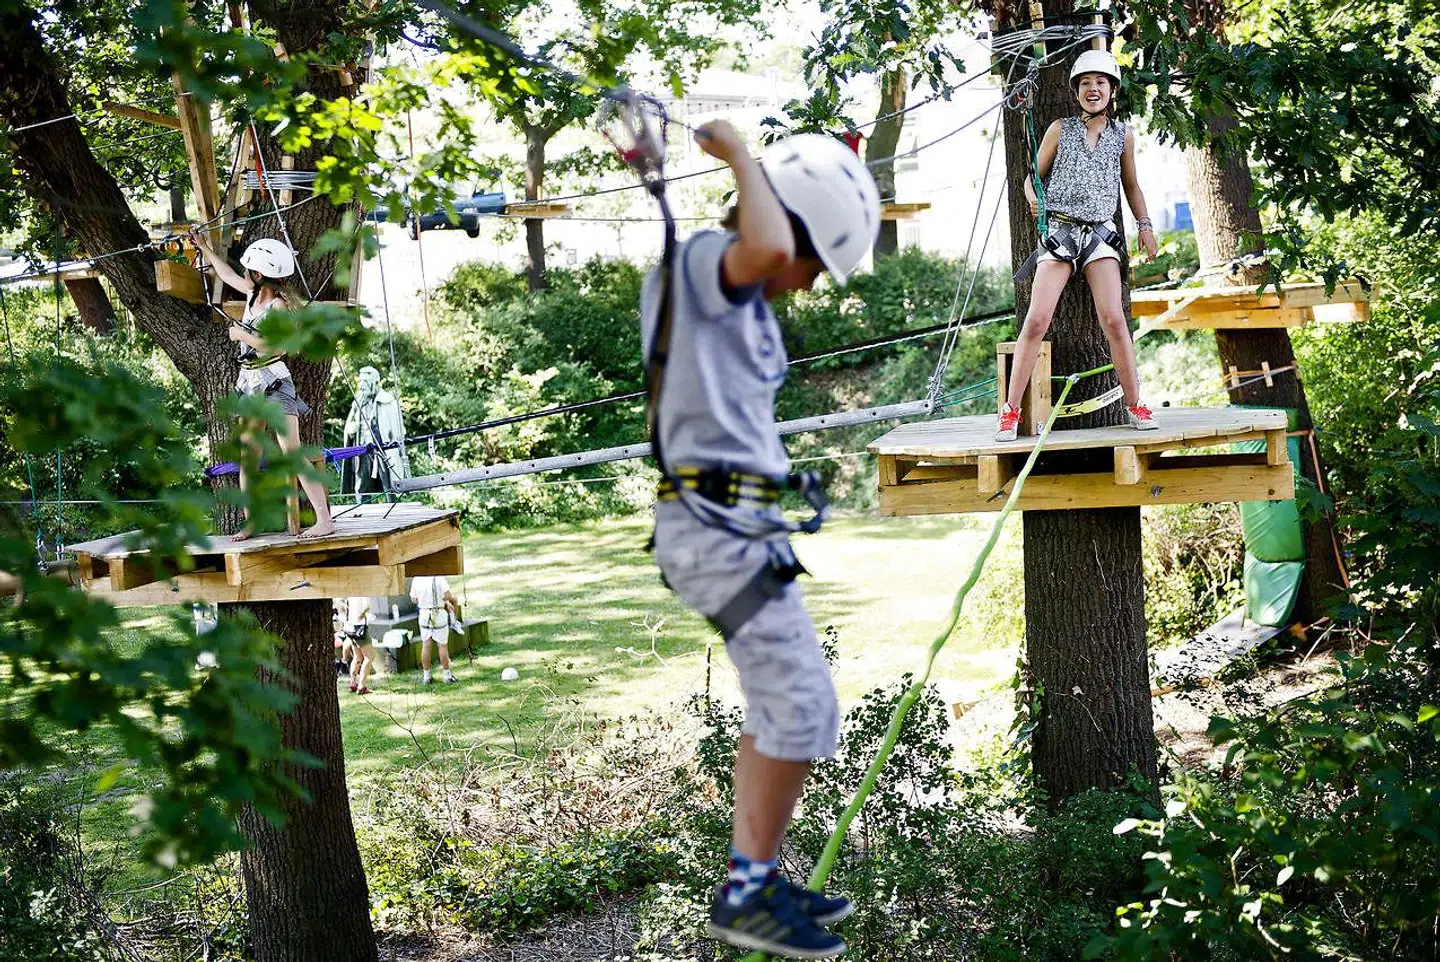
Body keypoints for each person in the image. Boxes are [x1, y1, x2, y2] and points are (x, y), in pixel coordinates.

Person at [642, 124, 873, 959]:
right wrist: (742, 152)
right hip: (713, 535)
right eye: (814, 263)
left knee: (782, 707)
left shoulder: (743, 303)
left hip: (737, 530)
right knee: (806, 712)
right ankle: (745, 892)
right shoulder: (704, 264)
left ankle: (756, 878)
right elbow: (770, 244)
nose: (806, 283)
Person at [998, 49, 1161, 442]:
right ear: (1076, 91)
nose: (1093, 89)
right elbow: (1030, 176)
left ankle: (1135, 403)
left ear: (1112, 90)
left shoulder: (1123, 136)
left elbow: (1132, 185)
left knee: (1114, 320)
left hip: (1101, 234)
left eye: (1100, 83)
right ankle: (1010, 411)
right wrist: (1033, 195)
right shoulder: (1059, 128)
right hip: (1061, 230)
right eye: (1086, 83)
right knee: (1036, 321)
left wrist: (1145, 225)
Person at [188, 233, 336, 539]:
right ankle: (251, 522)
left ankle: (324, 520)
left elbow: (274, 349)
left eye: (248, 271)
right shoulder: (252, 295)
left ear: (258, 275)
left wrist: (241, 336)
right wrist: (204, 247)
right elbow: (226, 273)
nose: (243, 275)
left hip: (274, 383)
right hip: (250, 384)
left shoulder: (280, 308)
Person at [409, 575, 460, 684]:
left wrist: (425, 600)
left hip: (423, 613)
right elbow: (447, 595)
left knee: (426, 645)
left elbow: (414, 599)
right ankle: (447, 676)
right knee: (442, 645)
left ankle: (426, 676)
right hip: (438, 612)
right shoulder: (439, 577)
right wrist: (441, 600)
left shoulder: (417, 578)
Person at [340, 595, 375, 694]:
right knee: (370, 657)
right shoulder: (362, 592)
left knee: (357, 656)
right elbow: (366, 606)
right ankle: (361, 686)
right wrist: (363, 614)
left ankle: (353, 683)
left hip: (349, 627)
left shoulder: (350, 593)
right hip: (359, 627)